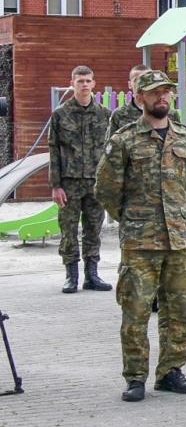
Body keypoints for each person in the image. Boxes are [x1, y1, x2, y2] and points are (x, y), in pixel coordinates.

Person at [95, 70, 186, 402]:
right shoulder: (124, 140)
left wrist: (182, 213)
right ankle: (135, 377)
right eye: (155, 92)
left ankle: (171, 370)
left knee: (178, 309)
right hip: (140, 242)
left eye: (166, 92)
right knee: (136, 310)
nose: (162, 97)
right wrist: (131, 218)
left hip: (179, 242)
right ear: (140, 97)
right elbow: (106, 188)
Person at [49, 65, 113, 293]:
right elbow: (54, 150)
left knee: (93, 229)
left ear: (94, 84)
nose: (84, 85)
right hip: (70, 182)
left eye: (88, 81)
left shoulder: (105, 115)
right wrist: (55, 185)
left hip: (95, 182)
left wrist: (109, 182)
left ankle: (92, 274)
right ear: (72, 83)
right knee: (68, 230)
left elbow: (110, 151)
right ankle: (71, 275)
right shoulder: (60, 114)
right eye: (80, 81)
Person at [108, 65, 145, 136]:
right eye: (136, 80)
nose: (141, 84)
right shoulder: (119, 114)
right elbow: (110, 144)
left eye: (145, 80)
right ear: (130, 84)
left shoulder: (167, 114)